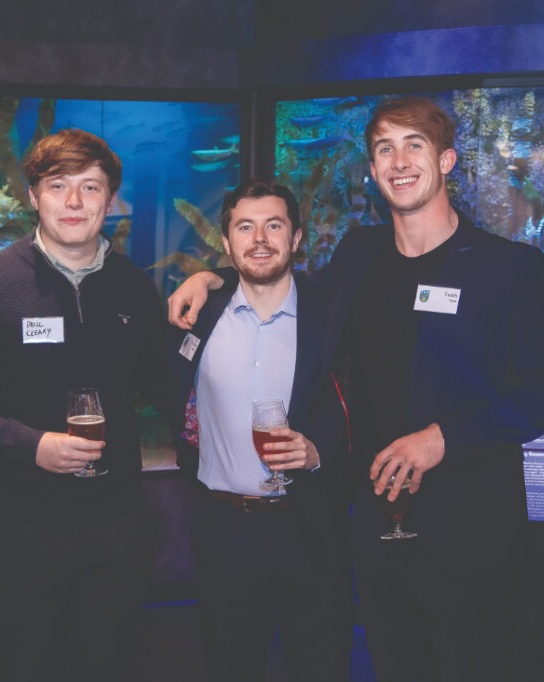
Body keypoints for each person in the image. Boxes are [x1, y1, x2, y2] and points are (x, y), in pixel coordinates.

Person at [169, 97, 544, 681]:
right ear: (372, 168)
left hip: (469, 535)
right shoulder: (359, 254)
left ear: (447, 161)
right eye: (385, 148)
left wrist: (443, 439)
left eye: (415, 144)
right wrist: (212, 277)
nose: (399, 160)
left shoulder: (508, 266)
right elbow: (284, 288)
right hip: (377, 531)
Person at [0, 128, 171, 681]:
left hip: (118, 525)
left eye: (90, 188)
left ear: (110, 202)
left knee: (106, 666)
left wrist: (215, 285)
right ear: (33, 195)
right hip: (24, 527)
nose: (74, 202)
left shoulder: (135, 288)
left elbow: (167, 385)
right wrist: (30, 445)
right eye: (58, 185)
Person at [168, 180, 352, 682]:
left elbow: (363, 403)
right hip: (225, 530)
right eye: (244, 227)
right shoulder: (197, 315)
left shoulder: (334, 313)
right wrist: (205, 279)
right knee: (230, 665)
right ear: (226, 244)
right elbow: (166, 393)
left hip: (310, 527)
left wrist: (320, 453)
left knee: (320, 665)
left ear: (296, 238)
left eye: (274, 225)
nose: (260, 239)